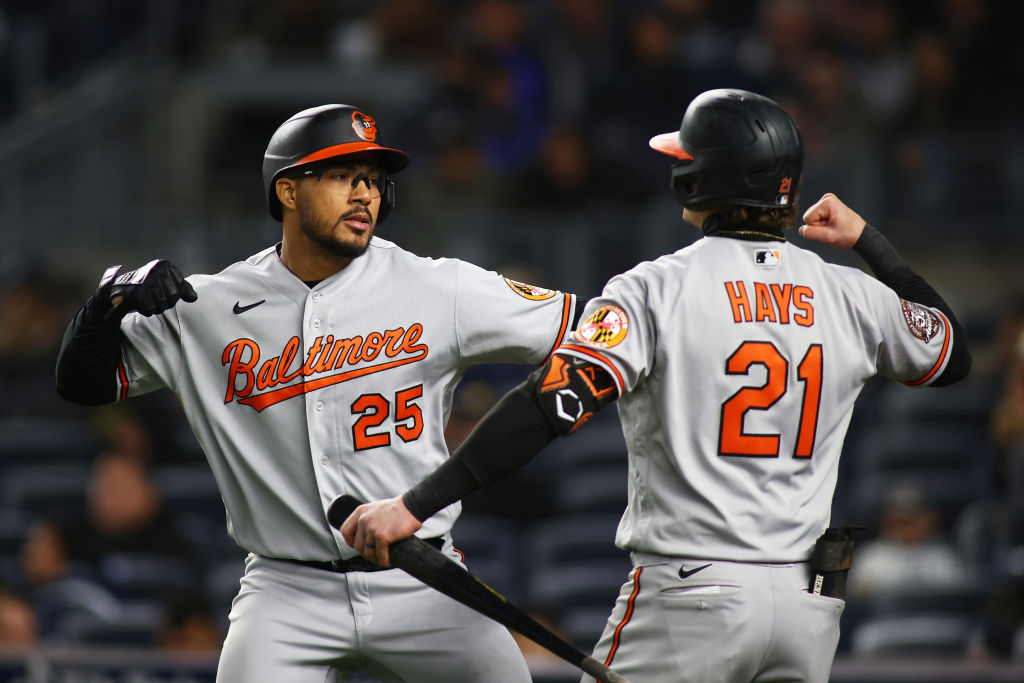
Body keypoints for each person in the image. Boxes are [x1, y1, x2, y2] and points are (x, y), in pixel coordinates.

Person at [340, 89, 973, 683]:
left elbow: (548, 406)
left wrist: (413, 506)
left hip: (691, 597)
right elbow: (952, 352)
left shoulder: (655, 288)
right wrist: (868, 242)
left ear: (702, 178)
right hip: (807, 607)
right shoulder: (851, 293)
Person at [55, 104, 577, 682]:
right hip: (286, 588)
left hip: (422, 577)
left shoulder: (437, 286)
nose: (365, 195)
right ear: (288, 191)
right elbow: (84, 384)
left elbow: (588, 331)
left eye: (374, 181)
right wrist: (105, 305)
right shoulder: (207, 307)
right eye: (341, 176)